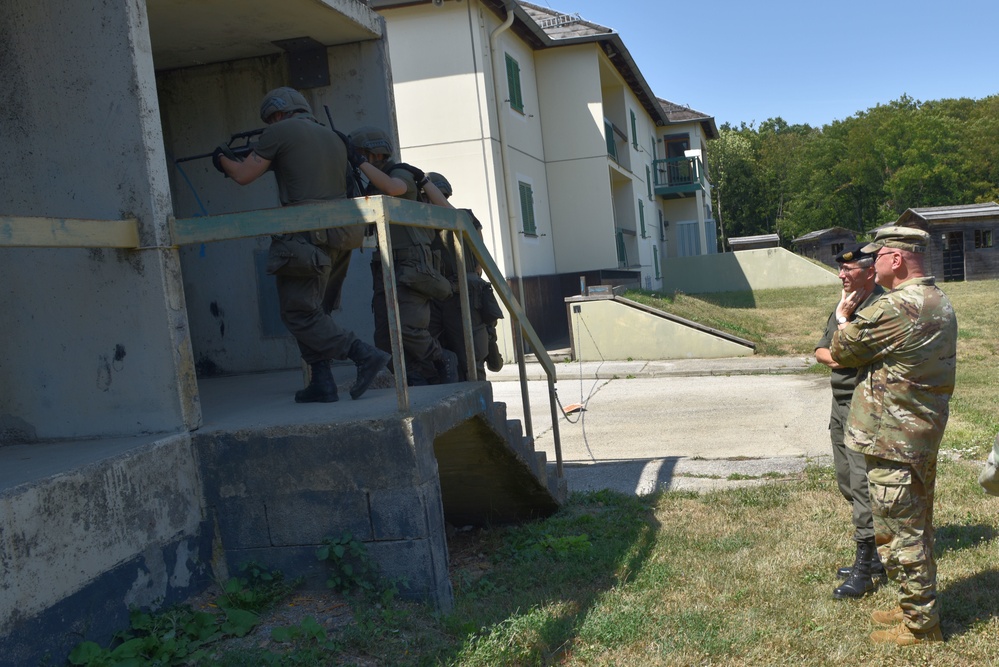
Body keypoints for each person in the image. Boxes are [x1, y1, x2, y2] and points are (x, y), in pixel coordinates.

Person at [213, 87, 389, 403]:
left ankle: (362, 354)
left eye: (272, 118)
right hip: (344, 232)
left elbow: (242, 175)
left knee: (299, 313)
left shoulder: (280, 131)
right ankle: (321, 381)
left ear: (279, 113)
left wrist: (222, 159)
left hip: (306, 231)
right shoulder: (334, 136)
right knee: (314, 310)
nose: (271, 124)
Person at [831, 226, 957, 646]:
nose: (872, 264)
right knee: (916, 526)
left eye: (877, 256)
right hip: (916, 434)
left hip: (893, 438)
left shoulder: (899, 306)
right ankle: (914, 607)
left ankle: (921, 626)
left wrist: (844, 317)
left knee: (901, 535)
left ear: (896, 259)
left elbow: (844, 351)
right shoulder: (937, 299)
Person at [346, 127, 458, 386]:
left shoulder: (400, 172)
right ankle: (412, 376)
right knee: (385, 336)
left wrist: (359, 162)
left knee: (408, 327)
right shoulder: (375, 181)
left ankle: (442, 358)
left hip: (411, 262)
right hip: (385, 262)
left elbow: (395, 189)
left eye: (361, 154)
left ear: (372, 154)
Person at [814, 244, 885, 600]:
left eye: (849, 270)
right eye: (841, 271)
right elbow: (821, 351)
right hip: (838, 405)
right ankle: (877, 553)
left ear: (870, 272)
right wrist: (840, 353)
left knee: (862, 487)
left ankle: (866, 566)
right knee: (846, 480)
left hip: (863, 405)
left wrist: (841, 351)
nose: (842, 275)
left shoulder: (879, 308)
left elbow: (850, 352)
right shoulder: (844, 305)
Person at [422, 172, 504, 381]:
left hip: (463, 295)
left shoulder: (463, 217)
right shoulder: (424, 223)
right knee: (444, 358)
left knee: (472, 358)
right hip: (439, 295)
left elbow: (479, 261)